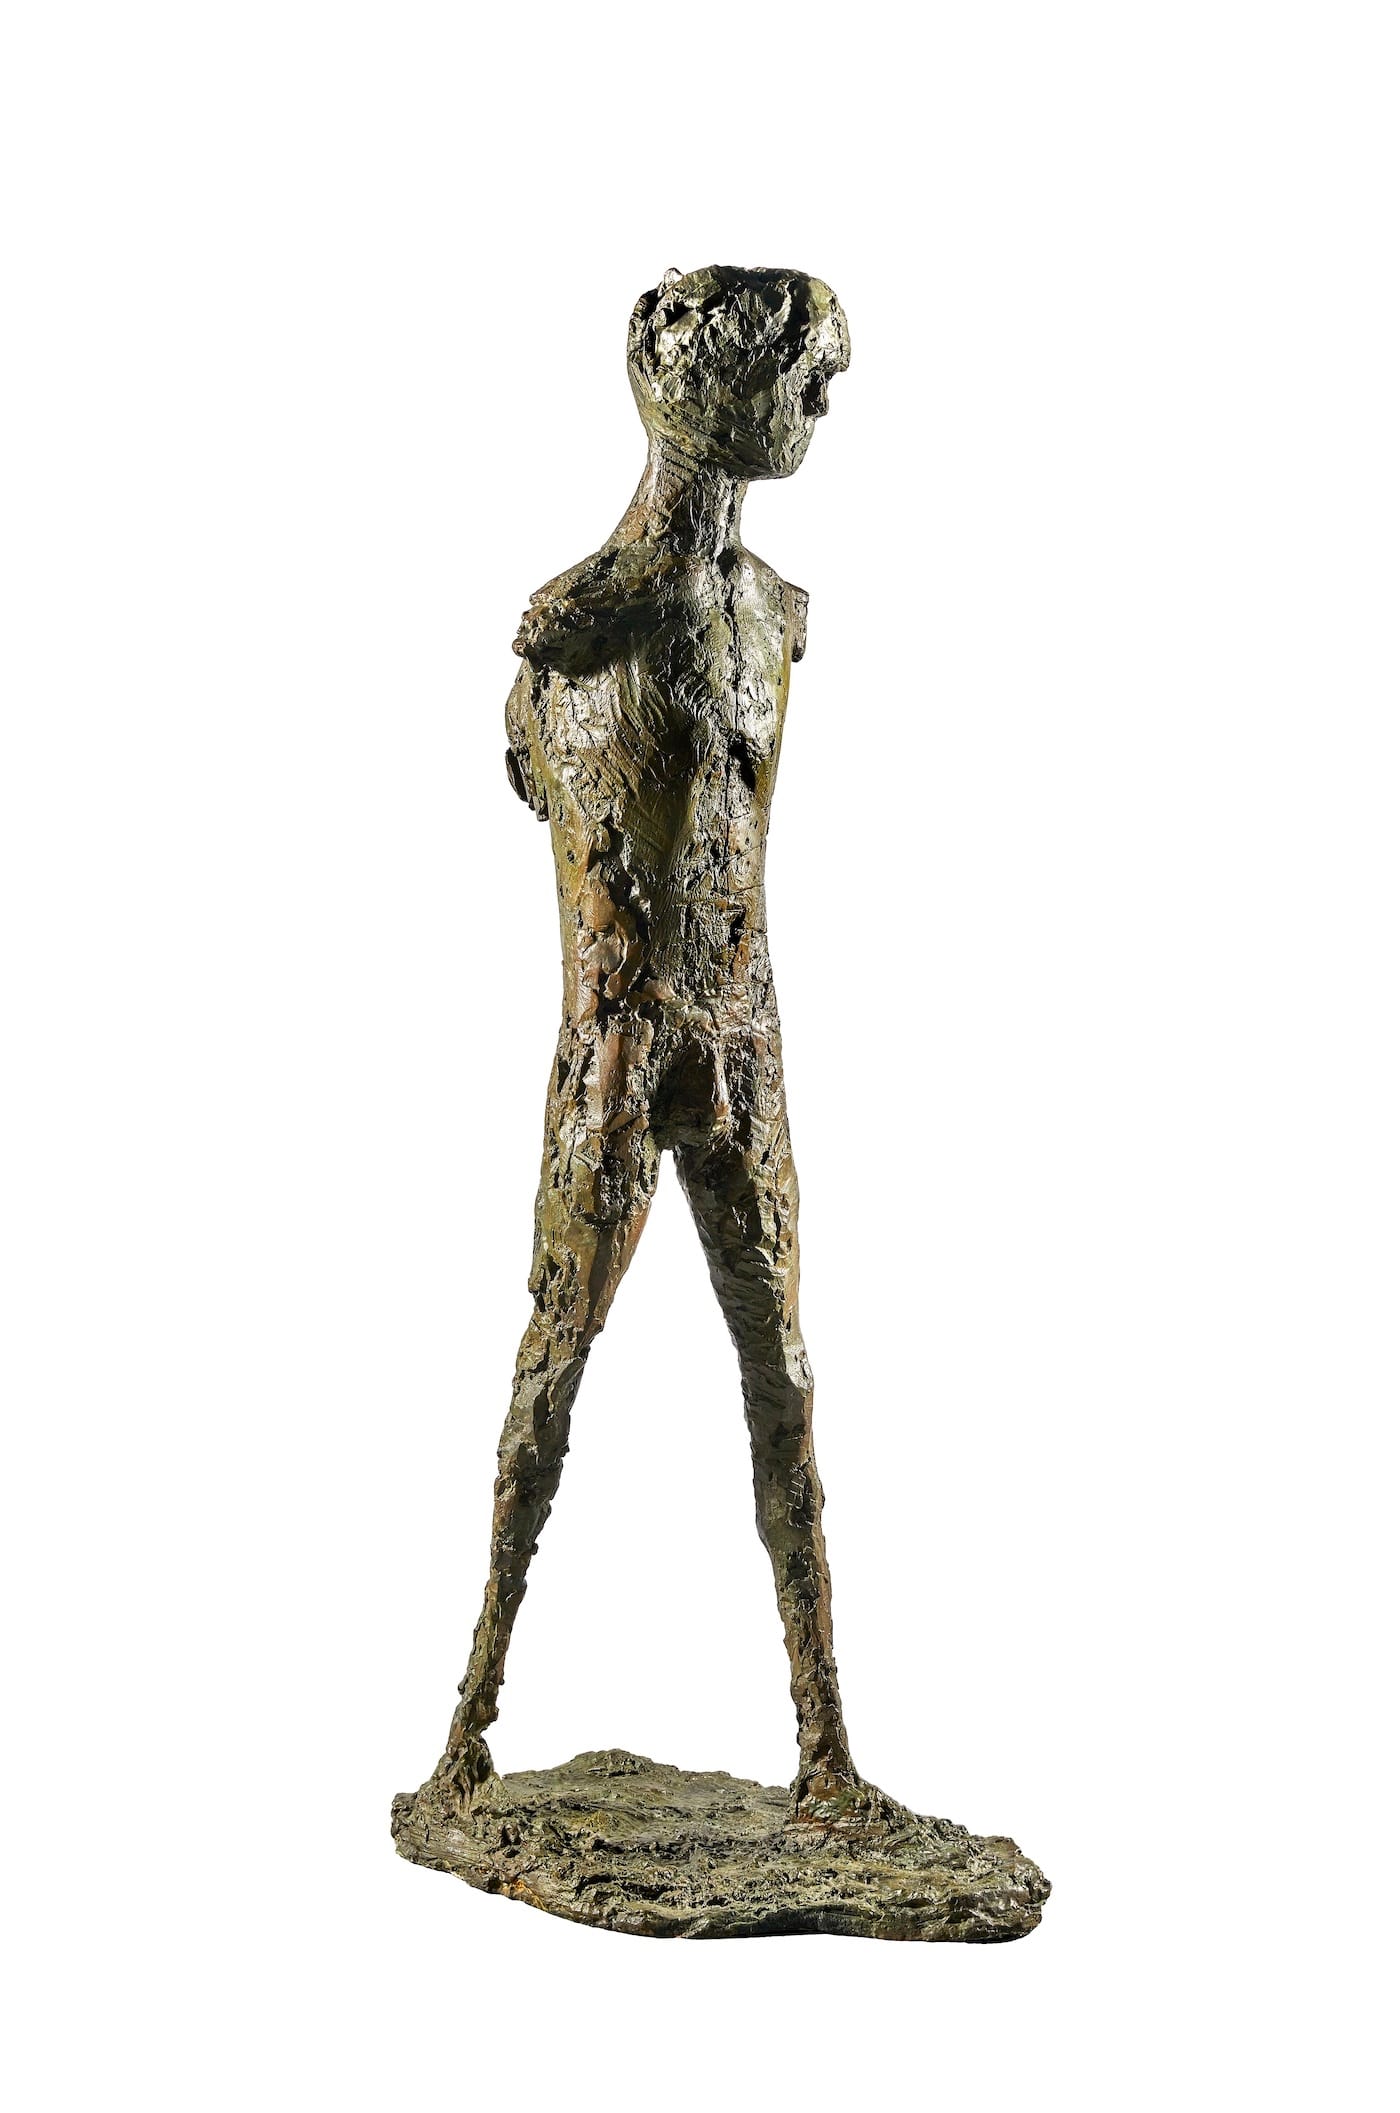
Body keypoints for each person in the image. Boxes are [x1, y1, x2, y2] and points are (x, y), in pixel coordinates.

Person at [436, 265, 894, 1825]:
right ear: (704, 391)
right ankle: (468, 1723)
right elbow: (547, 790)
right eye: (800, 373)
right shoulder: (574, 629)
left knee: (786, 1381)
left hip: (746, 1038)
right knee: (552, 1365)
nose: (824, 400)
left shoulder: (780, 615)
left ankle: (827, 1751)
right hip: (619, 1047)